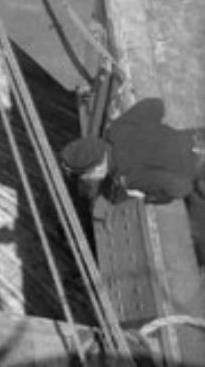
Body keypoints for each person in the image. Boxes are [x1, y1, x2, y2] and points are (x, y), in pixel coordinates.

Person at [60, 98, 205, 260]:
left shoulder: (130, 176)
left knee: (200, 236)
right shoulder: (115, 129)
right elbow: (156, 105)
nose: (87, 181)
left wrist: (146, 196)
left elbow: (181, 188)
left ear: (96, 168)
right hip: (197, 138)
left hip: (200, 170)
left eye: (85, 177)